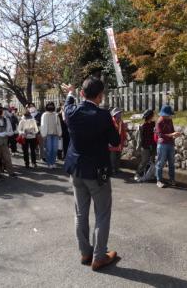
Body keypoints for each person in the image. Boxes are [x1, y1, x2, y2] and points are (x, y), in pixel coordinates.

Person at [64, 77, 120, 271]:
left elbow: (68, 103)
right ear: (100, 95)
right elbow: (115, 142)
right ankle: (99, 256)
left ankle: (85, 252)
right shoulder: (103, 116)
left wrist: (70, 92)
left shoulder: (71, 112)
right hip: (98, 171)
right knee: (102, 213)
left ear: (82, 94)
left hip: (76, 169)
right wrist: (114, 123)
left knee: (80, 212)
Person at [155, 105, 181, 188]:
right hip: (162, 144)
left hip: (170, 143)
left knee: (172, 163)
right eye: (168, 114)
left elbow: (172, 131)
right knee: (160, 163)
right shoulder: (159, 121)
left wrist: (175, 134)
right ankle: (159, 180)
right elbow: (160, 134)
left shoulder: (170, 120)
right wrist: (171, 135)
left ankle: (171, 179)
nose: (170, 116)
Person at [134, 109, 156, 182]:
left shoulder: (153, 124)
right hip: (145, 146)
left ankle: (149, 175)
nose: (154, 116)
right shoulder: (143, 126)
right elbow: (141, 139)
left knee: (152, 161)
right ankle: (137, 174)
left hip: (153, 145)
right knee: (144, 161)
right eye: (153, 115)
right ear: (150, 116)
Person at [40, 102, 62, 169]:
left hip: (55, 134)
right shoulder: (44, 115)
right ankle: (49, 163)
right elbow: (43, 125)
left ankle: (53, 163)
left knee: (55, 149)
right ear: (47, 107)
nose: (50, 107)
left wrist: (60, 133)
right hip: (48, 135)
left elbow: (59, 125)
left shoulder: (56, 115)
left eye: (52, 105)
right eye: (49, 106)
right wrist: (44, 135)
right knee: (49, 150)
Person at [108, 108, 127, 175]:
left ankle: (117, 168)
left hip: (119, 142)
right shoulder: (111, 122)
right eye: (118, 113)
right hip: (112, 142)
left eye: (120, 113)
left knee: (118, 156)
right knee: (112, 157)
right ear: (115, 115)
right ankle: (112, 169)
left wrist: (125, 139)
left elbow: (123, 131)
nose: (120, 115)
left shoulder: (121, 122)